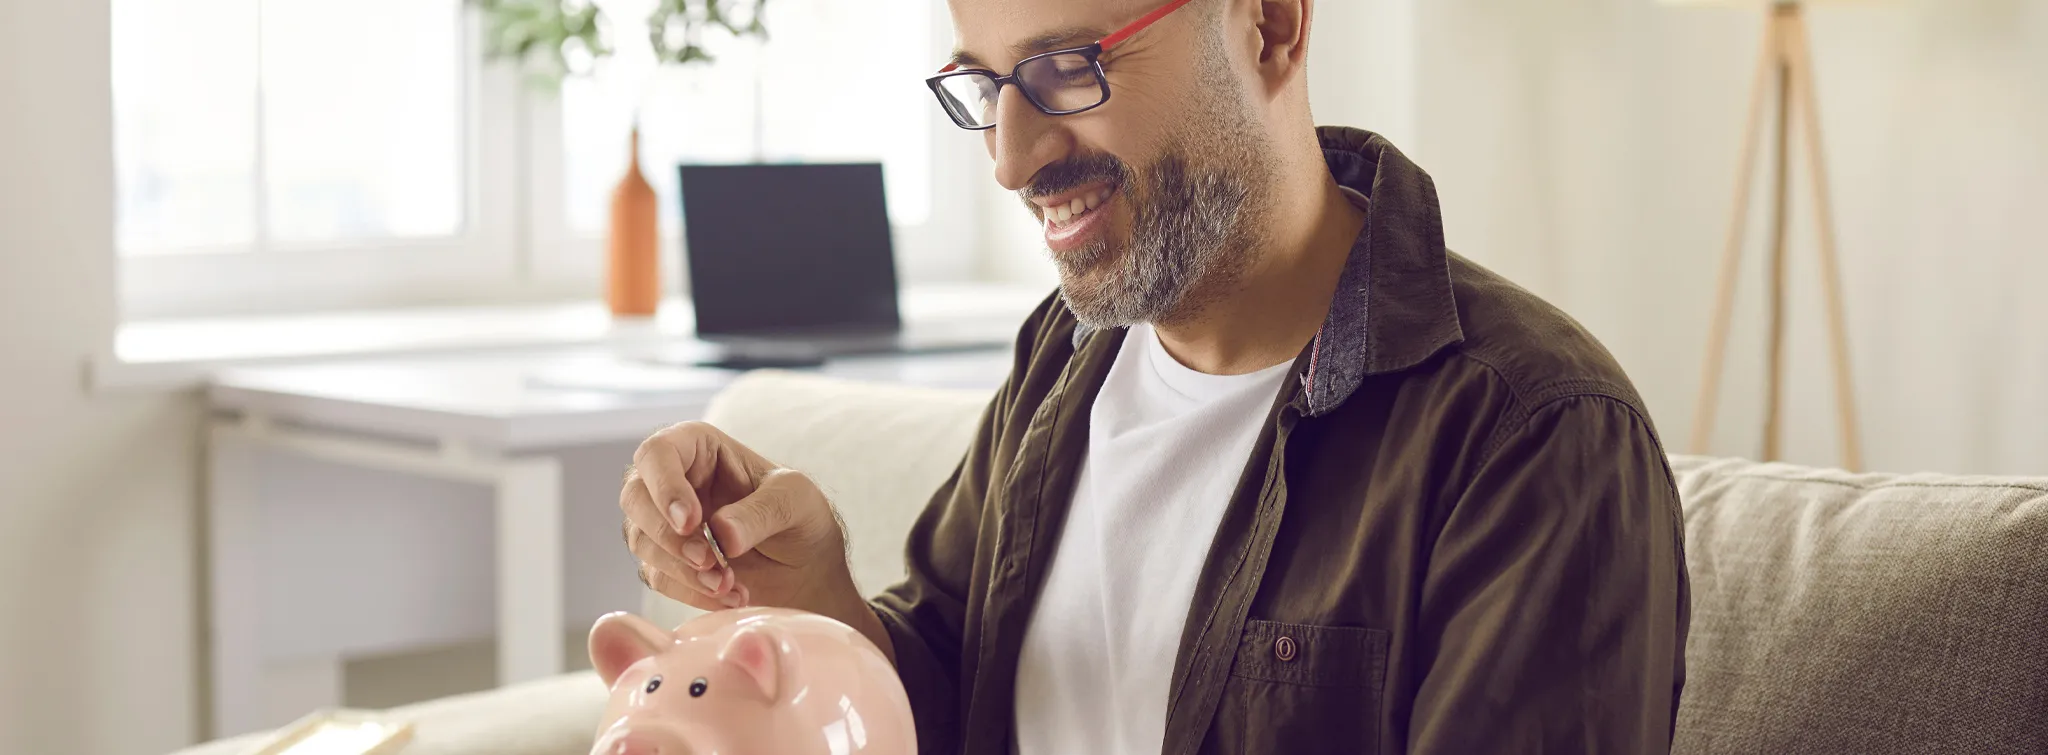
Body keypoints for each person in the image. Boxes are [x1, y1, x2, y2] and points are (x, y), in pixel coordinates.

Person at [619, 0, 1691, 751]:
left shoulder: (1530, 435)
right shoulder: (1068, 354)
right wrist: (813, 595)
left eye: (1062, 69)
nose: (1009, 154)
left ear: (1267, 26)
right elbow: (952, 699)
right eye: (986, 85)